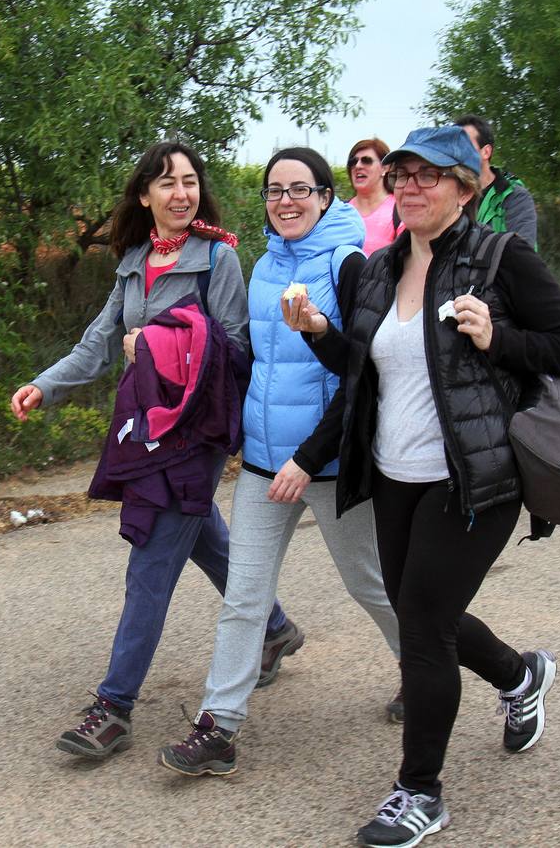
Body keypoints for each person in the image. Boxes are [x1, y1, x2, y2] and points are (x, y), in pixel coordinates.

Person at [282, 126, 560, 847]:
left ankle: (420, 792)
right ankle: (520, 675)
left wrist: (497, 338)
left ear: (464, 186)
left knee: (420, 626)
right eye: (401, 175)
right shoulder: (379, 269)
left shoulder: (501, 259)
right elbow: (363, 368)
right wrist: (319, 330)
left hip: (474, 477)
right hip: (395, 476)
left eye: (428, 175)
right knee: (427, 616)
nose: (409, 186)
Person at [9, 142, 294, 762]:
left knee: (150, 563)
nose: (181, 193)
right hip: (149, 426)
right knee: (199, 534)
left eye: (190, 181)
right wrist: (44, 385)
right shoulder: (134, 263)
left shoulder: (216, 258)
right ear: (144, 196)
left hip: (196, 433)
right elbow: (97, 344)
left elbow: (235, 348)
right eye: (166, 183)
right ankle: (274, 629)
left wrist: (159, 346)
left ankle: (114, 708)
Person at [158, 147, 403, 777]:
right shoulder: (264, 266)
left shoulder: (350, 265)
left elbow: (363, 374)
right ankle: (219, 727)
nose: (285, 201)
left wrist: (310, 456)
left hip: (327, 464)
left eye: (300, 189)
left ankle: (421, 669)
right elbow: (253, 362)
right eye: (274, 191)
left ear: (325, 196)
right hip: (266, 463)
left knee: (370, 584)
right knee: (244, 597)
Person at [455, 113, 539, 248]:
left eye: (465, 146)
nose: (457, 153)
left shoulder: (515, 197)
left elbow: (523, 253)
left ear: (486, 152)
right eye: (454, 147)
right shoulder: (449, 196)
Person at [346, 138, 400, 254]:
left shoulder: (401, 209)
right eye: (353, 162)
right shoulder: (340, 211)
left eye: (366, 160)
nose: (358, 166)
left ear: (385, 167)